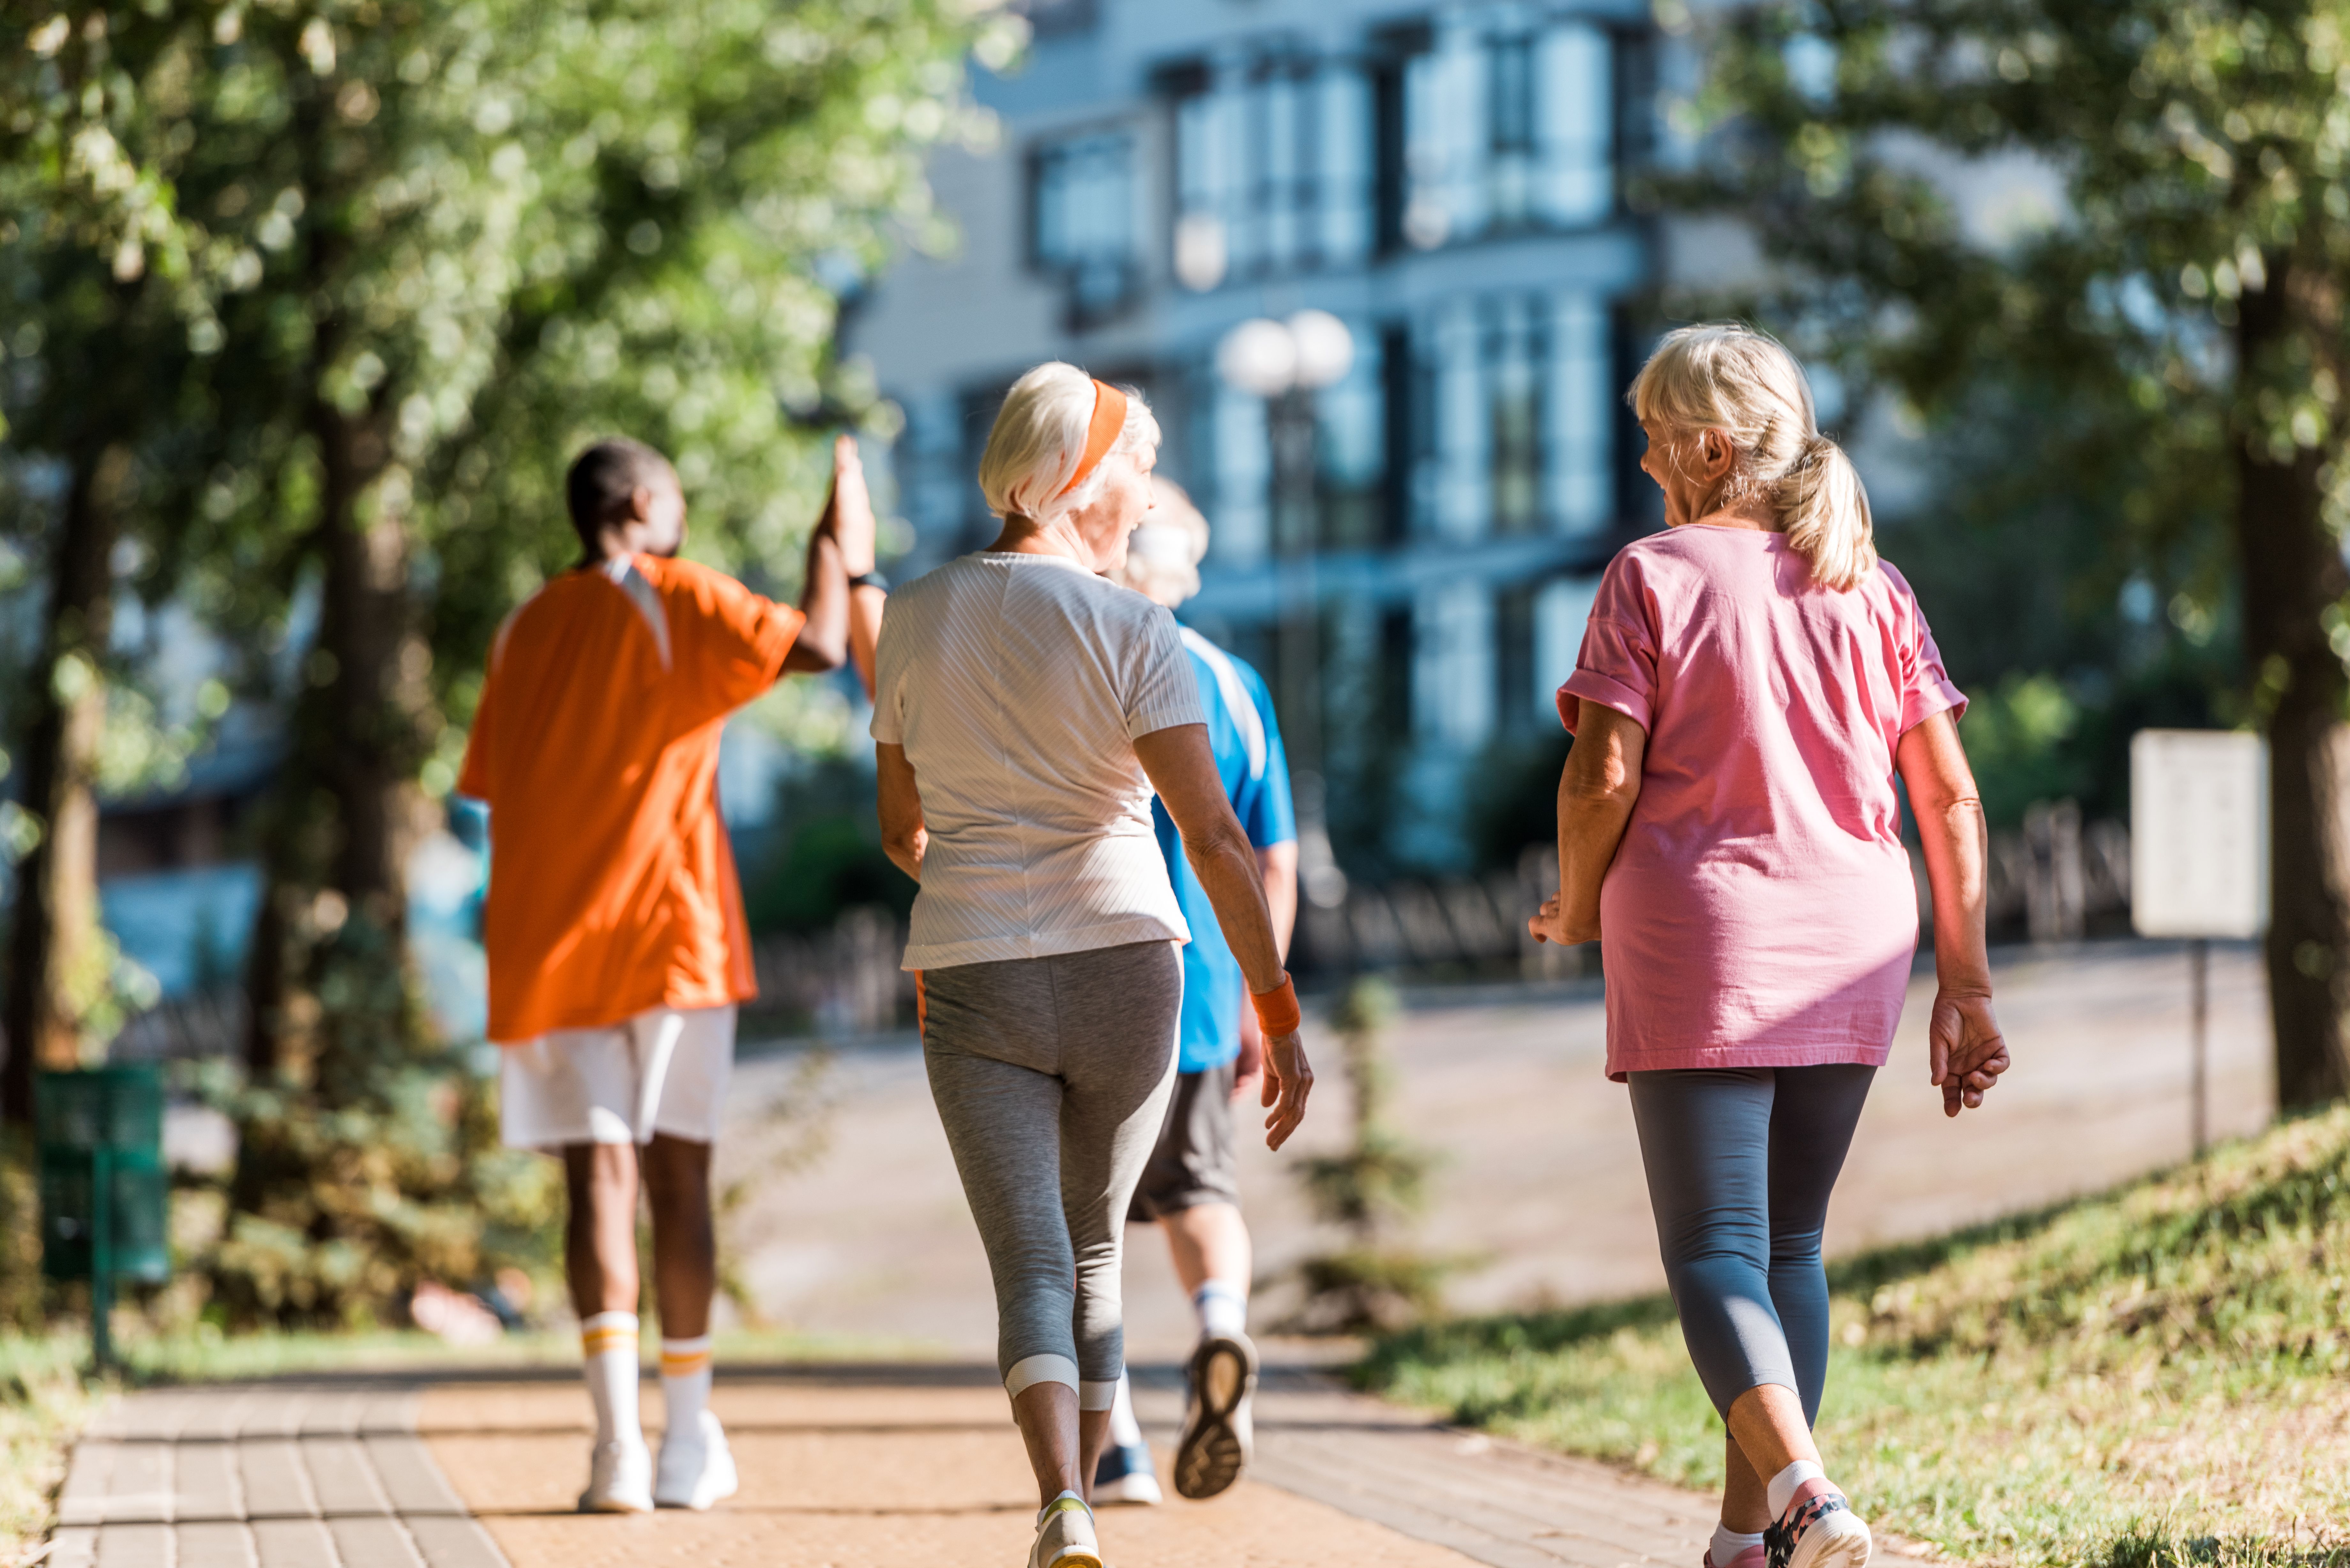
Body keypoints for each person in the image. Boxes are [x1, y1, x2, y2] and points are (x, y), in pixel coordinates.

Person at [1530, 324, 2010, 1568]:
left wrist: (1575, 901)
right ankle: (1749, 1539)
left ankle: (1804, 1493)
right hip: (1856, 940)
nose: (1642, 464)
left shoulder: (1653, 575)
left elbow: (1601, 776)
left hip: (1706, 940)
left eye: (1651, 439)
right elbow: (1949, 799)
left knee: (1715, 1249)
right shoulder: (1872, 584)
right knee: (1787, 1244)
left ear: (1708, 444)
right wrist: (1966, 985)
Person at [872, 364, 1314, 1568]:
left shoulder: (910, 615)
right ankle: (1093, 1480)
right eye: (1135, 477)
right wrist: (1275, 1007)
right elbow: (1220, 842)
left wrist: (973, 885)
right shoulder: (1139, 627)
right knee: (1100, 1244)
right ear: (1081, 480)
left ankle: (1065, 1503)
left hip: (973, 976)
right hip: (1131, 965)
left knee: (1029, 1256)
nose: (1145, 506)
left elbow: (901, 830)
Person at [458, 434, 886, 1514]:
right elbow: (823, 647)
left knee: (592, 1185)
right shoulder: (676, 594)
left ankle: (616, 1453)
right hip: (670, 936)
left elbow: (494, 789)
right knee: (678, 1179)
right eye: (679, 500)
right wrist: (831, 544)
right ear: (646, 503)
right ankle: (687, 1440)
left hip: (547, 944)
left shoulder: (520, 630)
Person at [1086, 484, 1296, 1508]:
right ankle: (1220, 1327)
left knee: (1088, 1226)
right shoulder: (1234, 682)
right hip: (1207, 989)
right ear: (1186, 572)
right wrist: (1268, 997)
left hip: (1085, 977)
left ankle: (1116, 1444)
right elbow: (1272, 859)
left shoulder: (1080, 665)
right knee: (1201, 1192)